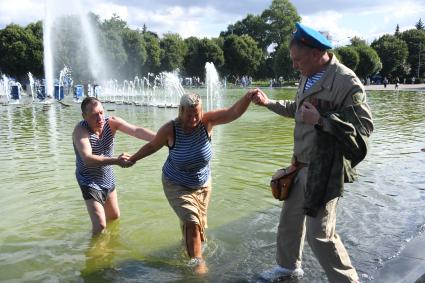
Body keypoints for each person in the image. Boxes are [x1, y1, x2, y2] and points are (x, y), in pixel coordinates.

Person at [252, 22, 374, 283]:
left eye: (298, 60)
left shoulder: (346, 82)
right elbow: (297, 108)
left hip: (326, 169)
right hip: (299, 165)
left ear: (318, 53)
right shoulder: (309, 73)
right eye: (293, 60)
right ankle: (287, 268)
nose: (295, 65)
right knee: (289, 224)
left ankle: (347, 280)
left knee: (320, 234)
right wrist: (268, 103)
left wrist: (321, 120)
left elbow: (364, 131)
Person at [128, 91, 256, 275]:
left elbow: (233, 113)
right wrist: (133, 159)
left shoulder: (207, 121)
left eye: (196, 114)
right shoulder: (170, 129)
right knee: (192, 221)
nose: (194, 119)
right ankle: (198, 265)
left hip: (203, 182)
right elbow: (152, 146)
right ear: (181, 111)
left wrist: (247, 98)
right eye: (189, 115)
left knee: (198, 224)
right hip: (176, 183)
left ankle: (187, 245)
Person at [73, 97, 155, 236]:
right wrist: (117, 161)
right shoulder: (80, 130)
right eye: (94, 115)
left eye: (101, 112)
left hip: (107, 177)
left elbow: (136, 130)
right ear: (84, 116)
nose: (100, 118)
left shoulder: (111, 123)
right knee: (100, 225)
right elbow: (87, 159)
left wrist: (162, 137)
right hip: (88, 180)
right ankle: (96, 254)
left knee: (114, 217)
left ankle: (110, 247)